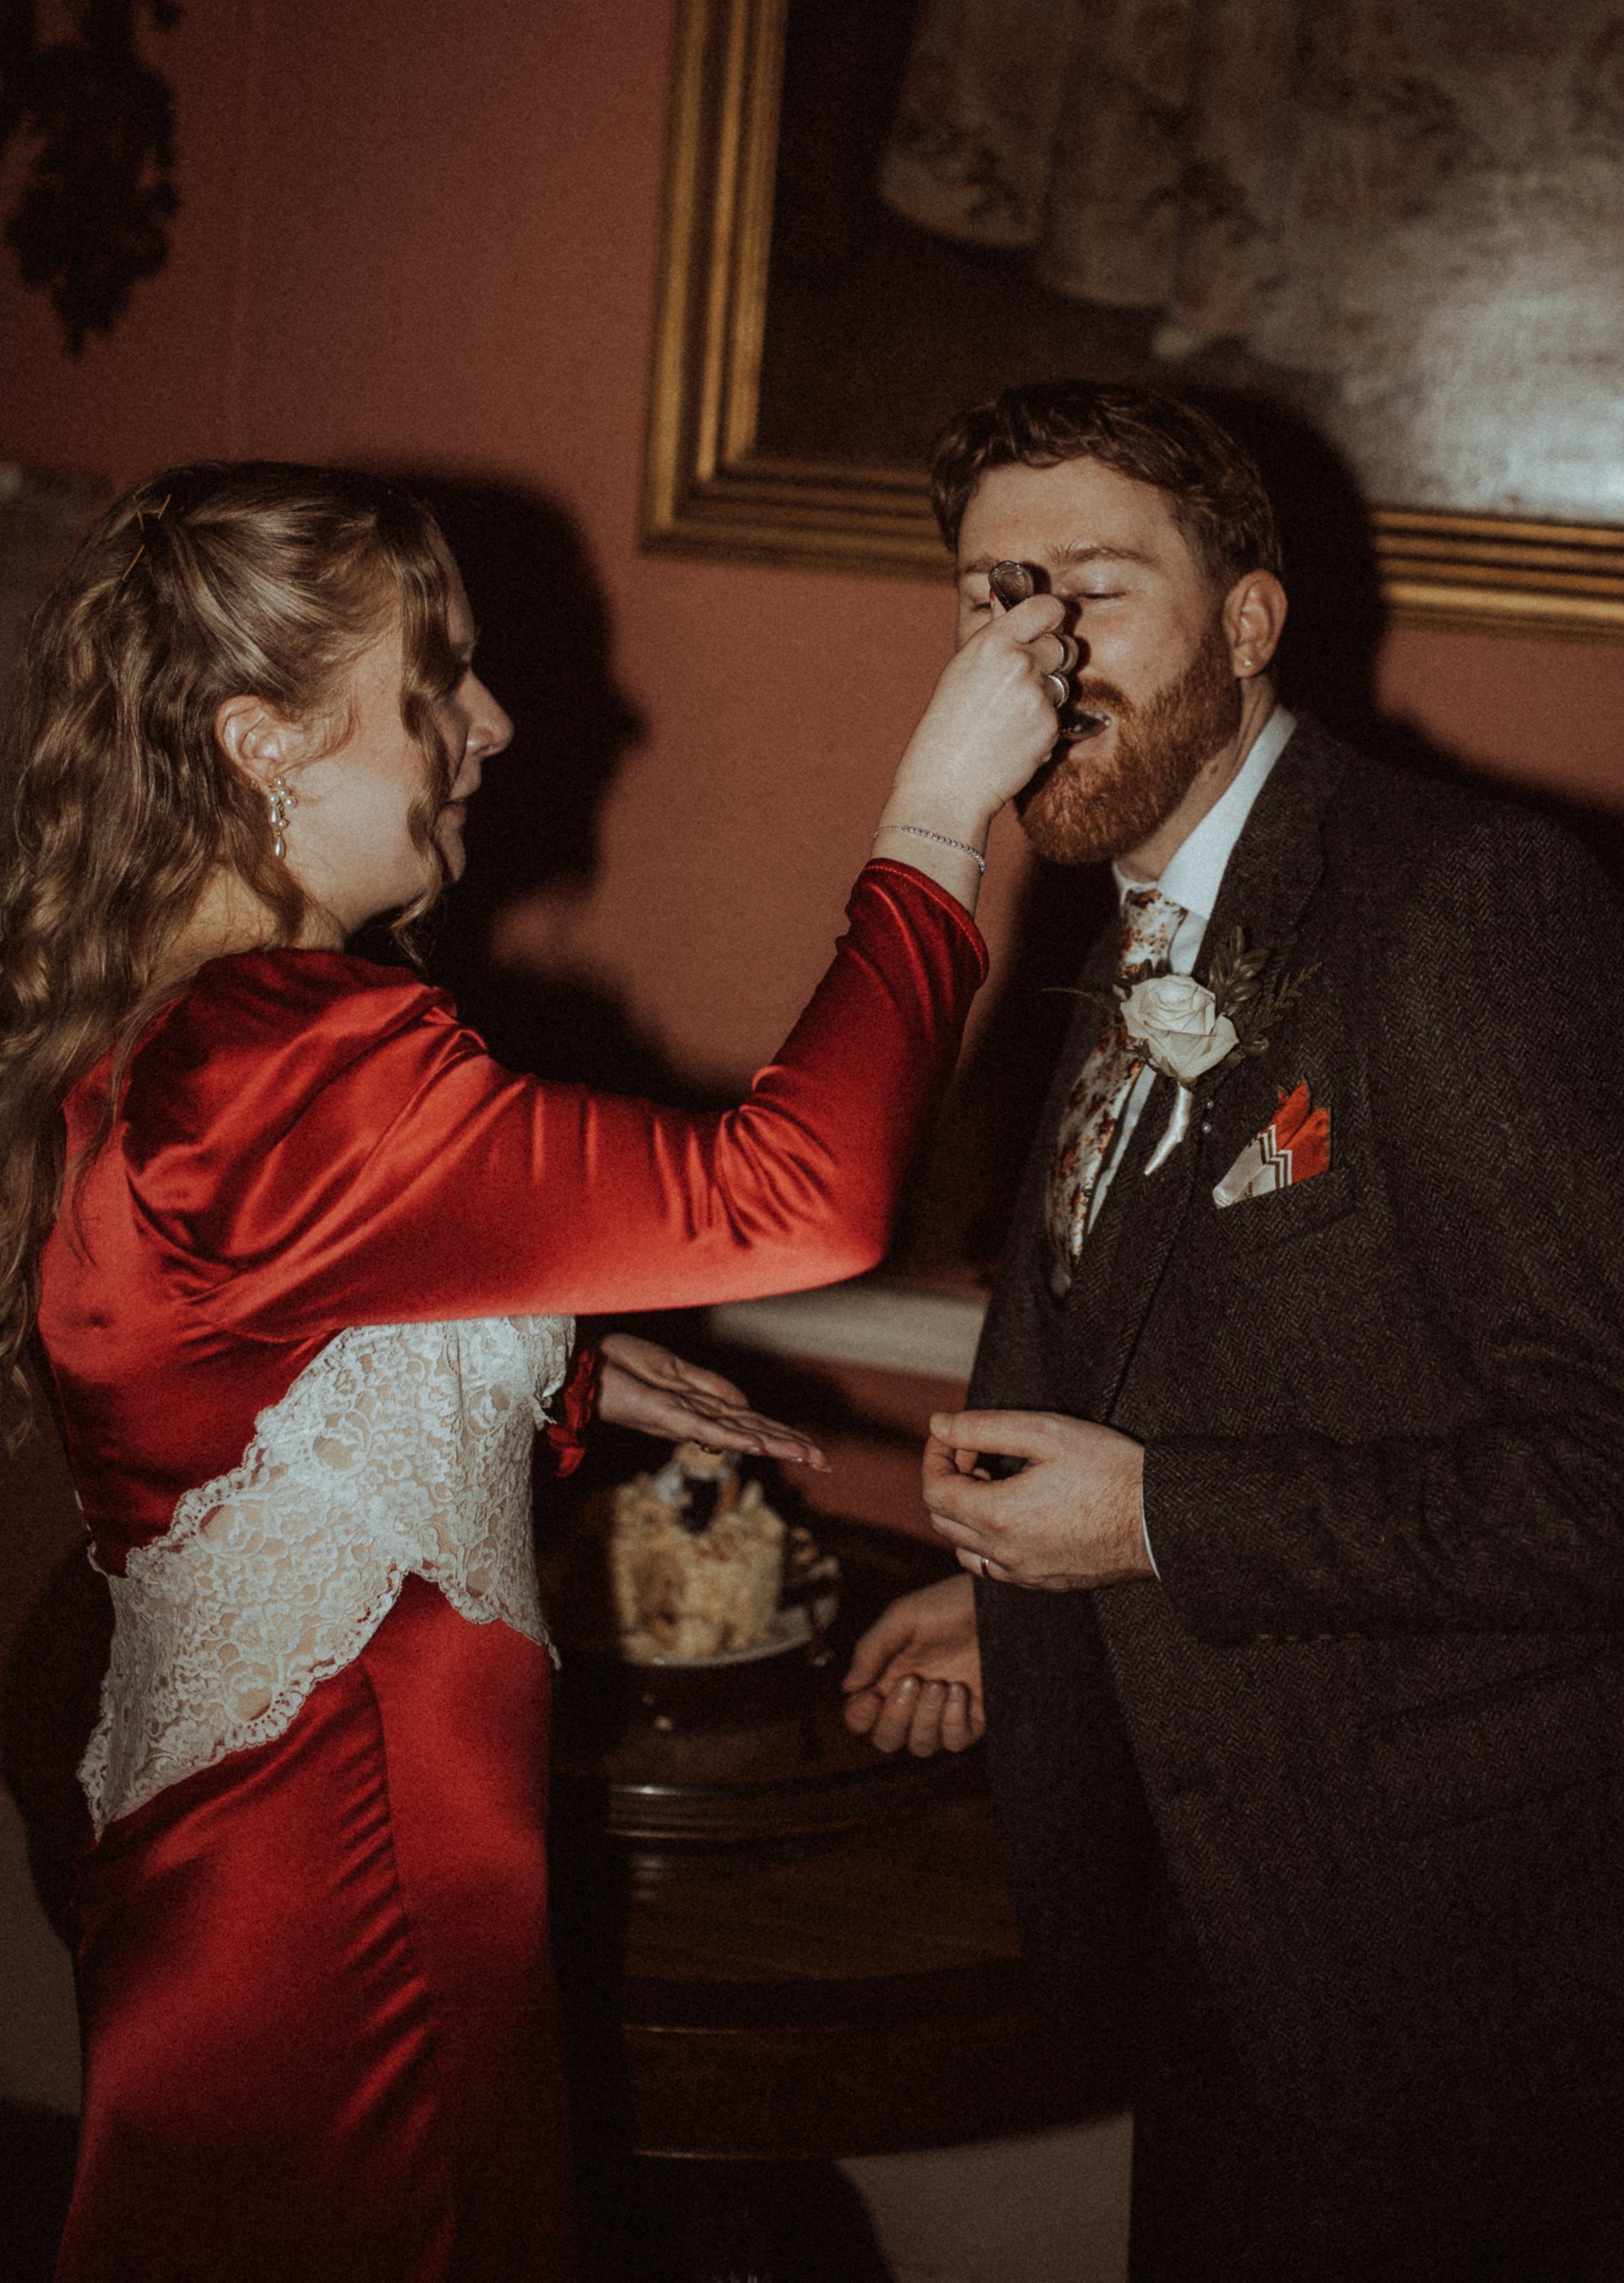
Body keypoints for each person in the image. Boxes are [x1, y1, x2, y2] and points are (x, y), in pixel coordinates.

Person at [1, 459, 1066, 2283]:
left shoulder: (174, 1040)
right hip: (356, 1926)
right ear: (262, 741)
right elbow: (799, 1195)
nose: (489, 724)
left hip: (253, 1888)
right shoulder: (288, 1060)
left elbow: (196, 1364)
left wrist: (535, 1360)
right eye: (437, 681)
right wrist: (940, 812)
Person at [844, 384, 1624, 2282]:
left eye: (1093, 589)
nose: (1034, 653)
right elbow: (1201, 1363)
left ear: (1250, 620)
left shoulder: (1465, 903)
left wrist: (1152, 1526)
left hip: (1472, 1979)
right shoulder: (1120, 930)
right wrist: (1030, 1602)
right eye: (993, 597)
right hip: (1238, 1937)